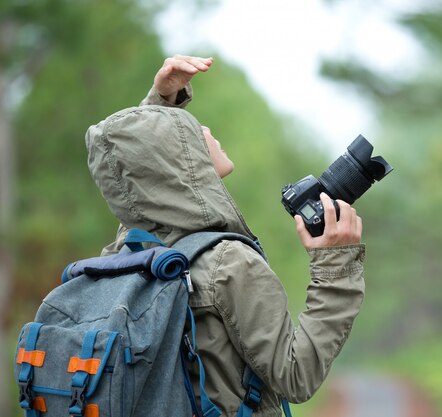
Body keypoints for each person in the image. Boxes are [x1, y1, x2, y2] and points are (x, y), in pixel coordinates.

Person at [86, 55, 365, 417]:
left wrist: (160, 101)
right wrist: (336, 266)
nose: (207, 132)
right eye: (190, 133)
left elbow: (136, 179)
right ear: (181, 161)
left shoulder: (123, 254)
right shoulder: (228, 262)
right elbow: (296, 376)